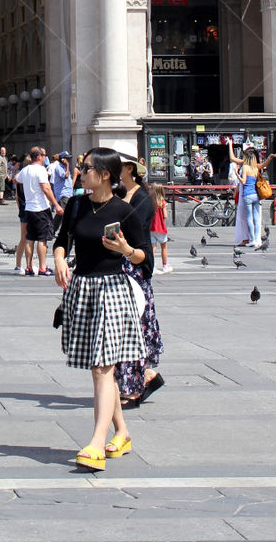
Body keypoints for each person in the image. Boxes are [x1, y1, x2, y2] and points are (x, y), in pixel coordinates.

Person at [53, 147, 148, 472]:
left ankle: (95, 443)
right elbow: (62, 239)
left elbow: (144, 256)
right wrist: (58, 261)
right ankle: (121, 432)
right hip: (82, 289)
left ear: (105, 174)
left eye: (86, 168)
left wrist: (126, 249)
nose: (81, 173)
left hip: (112, 291)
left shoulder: (124, 210)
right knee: (101, 368)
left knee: (102, 369)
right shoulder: (77, 204)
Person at [114, 154, 163, 411]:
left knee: (133, 330)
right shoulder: (120, 193)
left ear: (129, 169)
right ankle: (144, 377)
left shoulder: (142, 197)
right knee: (122, 331)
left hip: (135, 267)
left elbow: (135, 232)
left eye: (117, 166)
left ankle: (134, 387)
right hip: (118, 265)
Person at [16, 146, 63, 276]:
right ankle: (42, 267)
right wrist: (56, 205)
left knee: (30, 238)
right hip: (41, 208)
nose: (45, 158)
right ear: (39, 157)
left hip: (29, 208)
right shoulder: (40, 170)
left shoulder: (25, 170)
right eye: (44, 155)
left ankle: (28, 267)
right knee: (42, 239)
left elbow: (16, 179)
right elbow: (46, 188)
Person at [238, 147, 264, 249]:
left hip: (247, 195)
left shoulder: (245, 167)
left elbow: (243, 182)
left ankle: (252, 239)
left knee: (249, 218)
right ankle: (257, 240)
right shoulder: (256, 168)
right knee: (256, 218)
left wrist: (237, 175)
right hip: (256, 195)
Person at [150, 183, 171, 273]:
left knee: (153, 247)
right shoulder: (162, 202)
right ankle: (165, 266)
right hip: (161, 228)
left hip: (151, 228)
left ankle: (152, 266)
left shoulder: (149, 202)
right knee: (164, 247)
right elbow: (165, 216)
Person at [50, 151, 74, 228]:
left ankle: (53, 229)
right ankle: (53, 229)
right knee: (63, 213)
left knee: (63, 213)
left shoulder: (64, 167)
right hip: (63, 194)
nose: (69, 161)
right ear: (63, 159)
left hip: (68, 193)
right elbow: (65, 176)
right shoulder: (59, 167)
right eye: (67, 159)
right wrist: (67, 166)